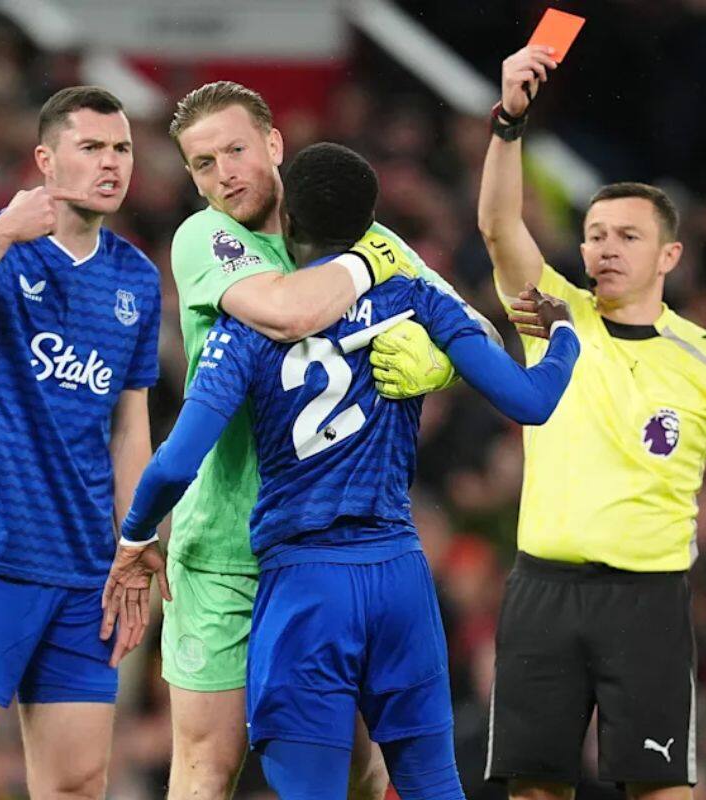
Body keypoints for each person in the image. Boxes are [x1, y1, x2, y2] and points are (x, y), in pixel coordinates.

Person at [108, 141, 580, 800]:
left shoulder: (244, 327)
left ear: (288, 225)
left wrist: (134, 538)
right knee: (432, 786)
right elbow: (532, 402)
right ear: (371, 227)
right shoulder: (415, 297)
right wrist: (565, 337)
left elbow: (175, 464)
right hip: (399, 582)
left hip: (305, 589)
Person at [140, 80, 477, 799]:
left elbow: (471, 326)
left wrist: (439, 363)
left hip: (327, 552)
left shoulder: (347, 228)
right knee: (207, 763)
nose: (224, 174)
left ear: (273, 144)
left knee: (359, 770)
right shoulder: (207, 238)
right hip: (227, 552)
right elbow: (287, 313)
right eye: (203, 164)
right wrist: (370, 267)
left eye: (235, 149)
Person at [476, 46, 706, 800]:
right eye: (594, 234)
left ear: (669, 255)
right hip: (542, 593)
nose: (604, 249)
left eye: (627, 236)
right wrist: (510, 120)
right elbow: (496, 226)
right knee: (534, 792)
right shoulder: (552, 316)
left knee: (660, 793)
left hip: (647, 604)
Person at [0, 86, 165, 800]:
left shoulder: (135, 278)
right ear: (46, 160)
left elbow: (129, 424)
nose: (112, 164)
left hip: (85, 570)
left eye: (122, 149)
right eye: (92, 147)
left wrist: (134, 543)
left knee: (78, 784)